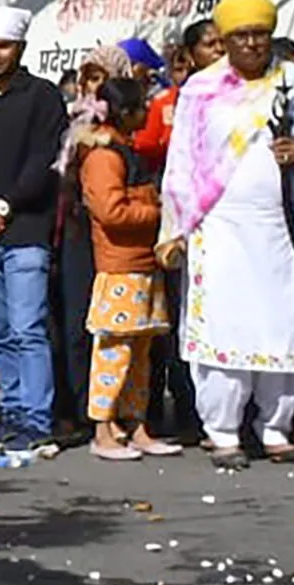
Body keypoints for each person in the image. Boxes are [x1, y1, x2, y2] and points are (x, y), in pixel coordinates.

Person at [159, 0, 294, 468]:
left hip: (282, 227)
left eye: (261, 35)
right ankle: (223, 433)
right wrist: (175, 227)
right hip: (219, 227)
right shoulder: (200, 90)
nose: (253, 45)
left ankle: (277, 428)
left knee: (282, 323)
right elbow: (182, 163)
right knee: (225, 324)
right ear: (224, 39)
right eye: (241, 36)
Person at [0, 5, 69, 456]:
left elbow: (43, 162)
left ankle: (37, 420)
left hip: (26, 232)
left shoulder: (42, 97)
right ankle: (15, 414)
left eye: (2, 46)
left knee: (28, 328)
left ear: (20, 48)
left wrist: (1, 208)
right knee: (1, 333)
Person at [72, 79, 179, 460]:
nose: (148, 112)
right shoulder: (104, 157)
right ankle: (102, 430)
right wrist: (159, 210)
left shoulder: (125, 151)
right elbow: (111, 212)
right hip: (119, 267)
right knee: (113, 352)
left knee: (140, 354)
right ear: (127, 112)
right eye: (141, 106)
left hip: (143, 264)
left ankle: (135, 426)